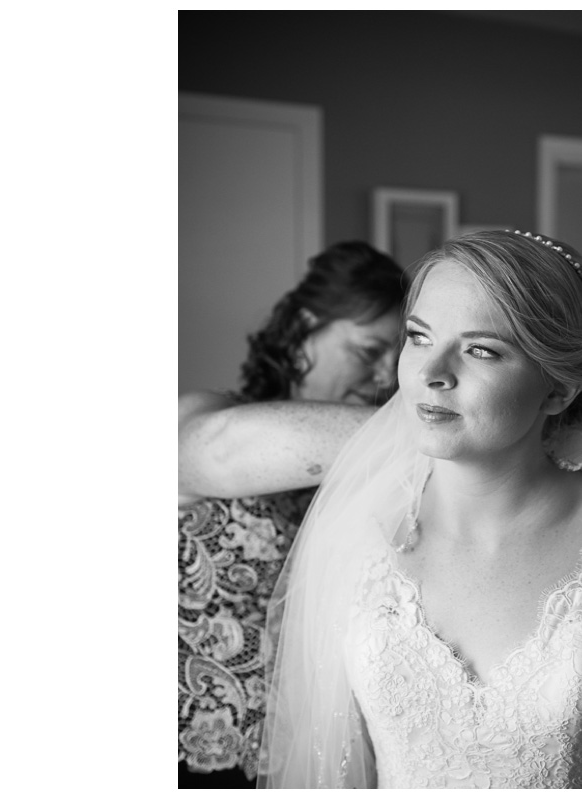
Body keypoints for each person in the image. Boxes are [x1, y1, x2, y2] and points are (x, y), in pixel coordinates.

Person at [258, 230, 582, 789]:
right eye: (419, 336)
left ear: (557, 389)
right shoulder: (359, 533)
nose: (431, 373)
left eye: (480, 349)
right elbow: (331, 766)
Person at [177, 241, 406, 789]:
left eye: (396, 356)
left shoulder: (388, 476)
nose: (384, 375)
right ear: (305, 327)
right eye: (368, 349)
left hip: (315, 762)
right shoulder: (208, 415)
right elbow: (220, 449)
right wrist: (454, 429)